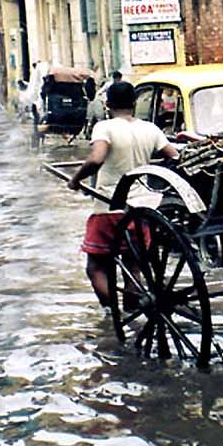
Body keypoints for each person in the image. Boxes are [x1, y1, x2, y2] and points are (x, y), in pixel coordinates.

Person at [68, 81, 179, 307]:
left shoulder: (105, 127)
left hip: (110, 207)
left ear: (107, 104)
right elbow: (174, 156)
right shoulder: (150, 129)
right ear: (134, 103)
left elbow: (97, 158)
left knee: (95, 267)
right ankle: (132, 312)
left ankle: (113, 314)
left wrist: (76, 179)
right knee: (133, 269)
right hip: (141, 210)